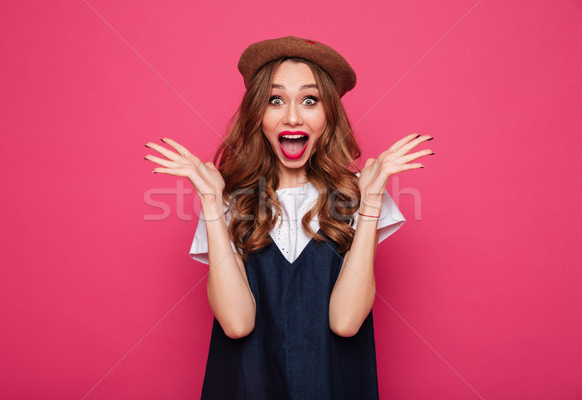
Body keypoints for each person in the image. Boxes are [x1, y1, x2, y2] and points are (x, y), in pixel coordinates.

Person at [144, 36, 434, 399]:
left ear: (328, 114)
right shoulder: (228, 196)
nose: (293, 116)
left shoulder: (361, 193)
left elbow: (345, 323)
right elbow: (236, 324)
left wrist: (371, 201)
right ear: (258, 115)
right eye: (275, 100)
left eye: (309, 100)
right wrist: (211, 203)